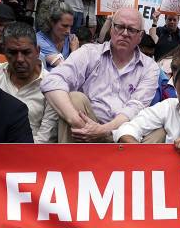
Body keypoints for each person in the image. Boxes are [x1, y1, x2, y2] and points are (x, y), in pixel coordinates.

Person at [41, 8, 159, 143]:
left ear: (140, 36)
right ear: (111, 29)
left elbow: (136, 107)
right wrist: (75, 119)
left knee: (161, 128)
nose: (125, 33)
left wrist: (103, 131)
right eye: (120, 27)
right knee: (75, 99)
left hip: (125, 134)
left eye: (132, 30)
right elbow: (52, 80)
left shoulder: (150, 67)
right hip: (84, 126)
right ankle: (70, 161)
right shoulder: (89, 53)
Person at [0, 22, 58, 143]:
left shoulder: (52, 86)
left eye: (26, 52)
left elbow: (45, 139)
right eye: (13, 53)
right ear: (4, 51)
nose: (19, 59)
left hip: (32, 155)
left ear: (37, 51)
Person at [35, 0, 79, 71]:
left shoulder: (70, 40)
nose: (68, 31)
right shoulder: (39, 40)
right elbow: (65, 69)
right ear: (51, 22)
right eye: (64, 26)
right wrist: (75, 51)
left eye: (70, 26)